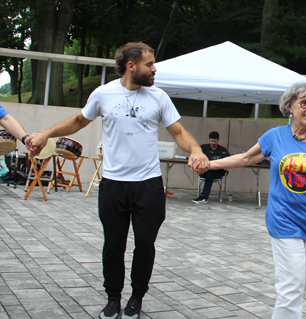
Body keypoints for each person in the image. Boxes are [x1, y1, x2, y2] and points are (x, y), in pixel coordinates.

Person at [27, 42, 209, 319]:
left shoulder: (158, 97)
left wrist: (195, 149)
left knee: (145, 243)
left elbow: (179, 131)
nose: (154, 69)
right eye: (150, 64)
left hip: (148, 184)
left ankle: (136, 297)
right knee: (113, 244)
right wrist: (46, 135)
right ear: (131, 66)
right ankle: (113, 298)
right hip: (113, 184)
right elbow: (78, 120)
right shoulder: (103, 93)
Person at [194, 82, 306, 318]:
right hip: (283, 220)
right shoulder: (275, 136)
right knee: (291, 288)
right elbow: (247, 158)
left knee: (300, 287)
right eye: (304, 103)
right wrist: (209, 164)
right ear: (289, 106)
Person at [192, 131, 229, 203]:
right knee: (209, 172)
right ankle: (204, 196)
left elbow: (228, 160)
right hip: (203, 171)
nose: (213, 143)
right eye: (211, 141)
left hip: (217, 172)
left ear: (218, 140)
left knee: (210, 172)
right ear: (209, 140)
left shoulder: (223, 150)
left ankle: (204, 196)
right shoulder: (202, 148)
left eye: (215, 141)